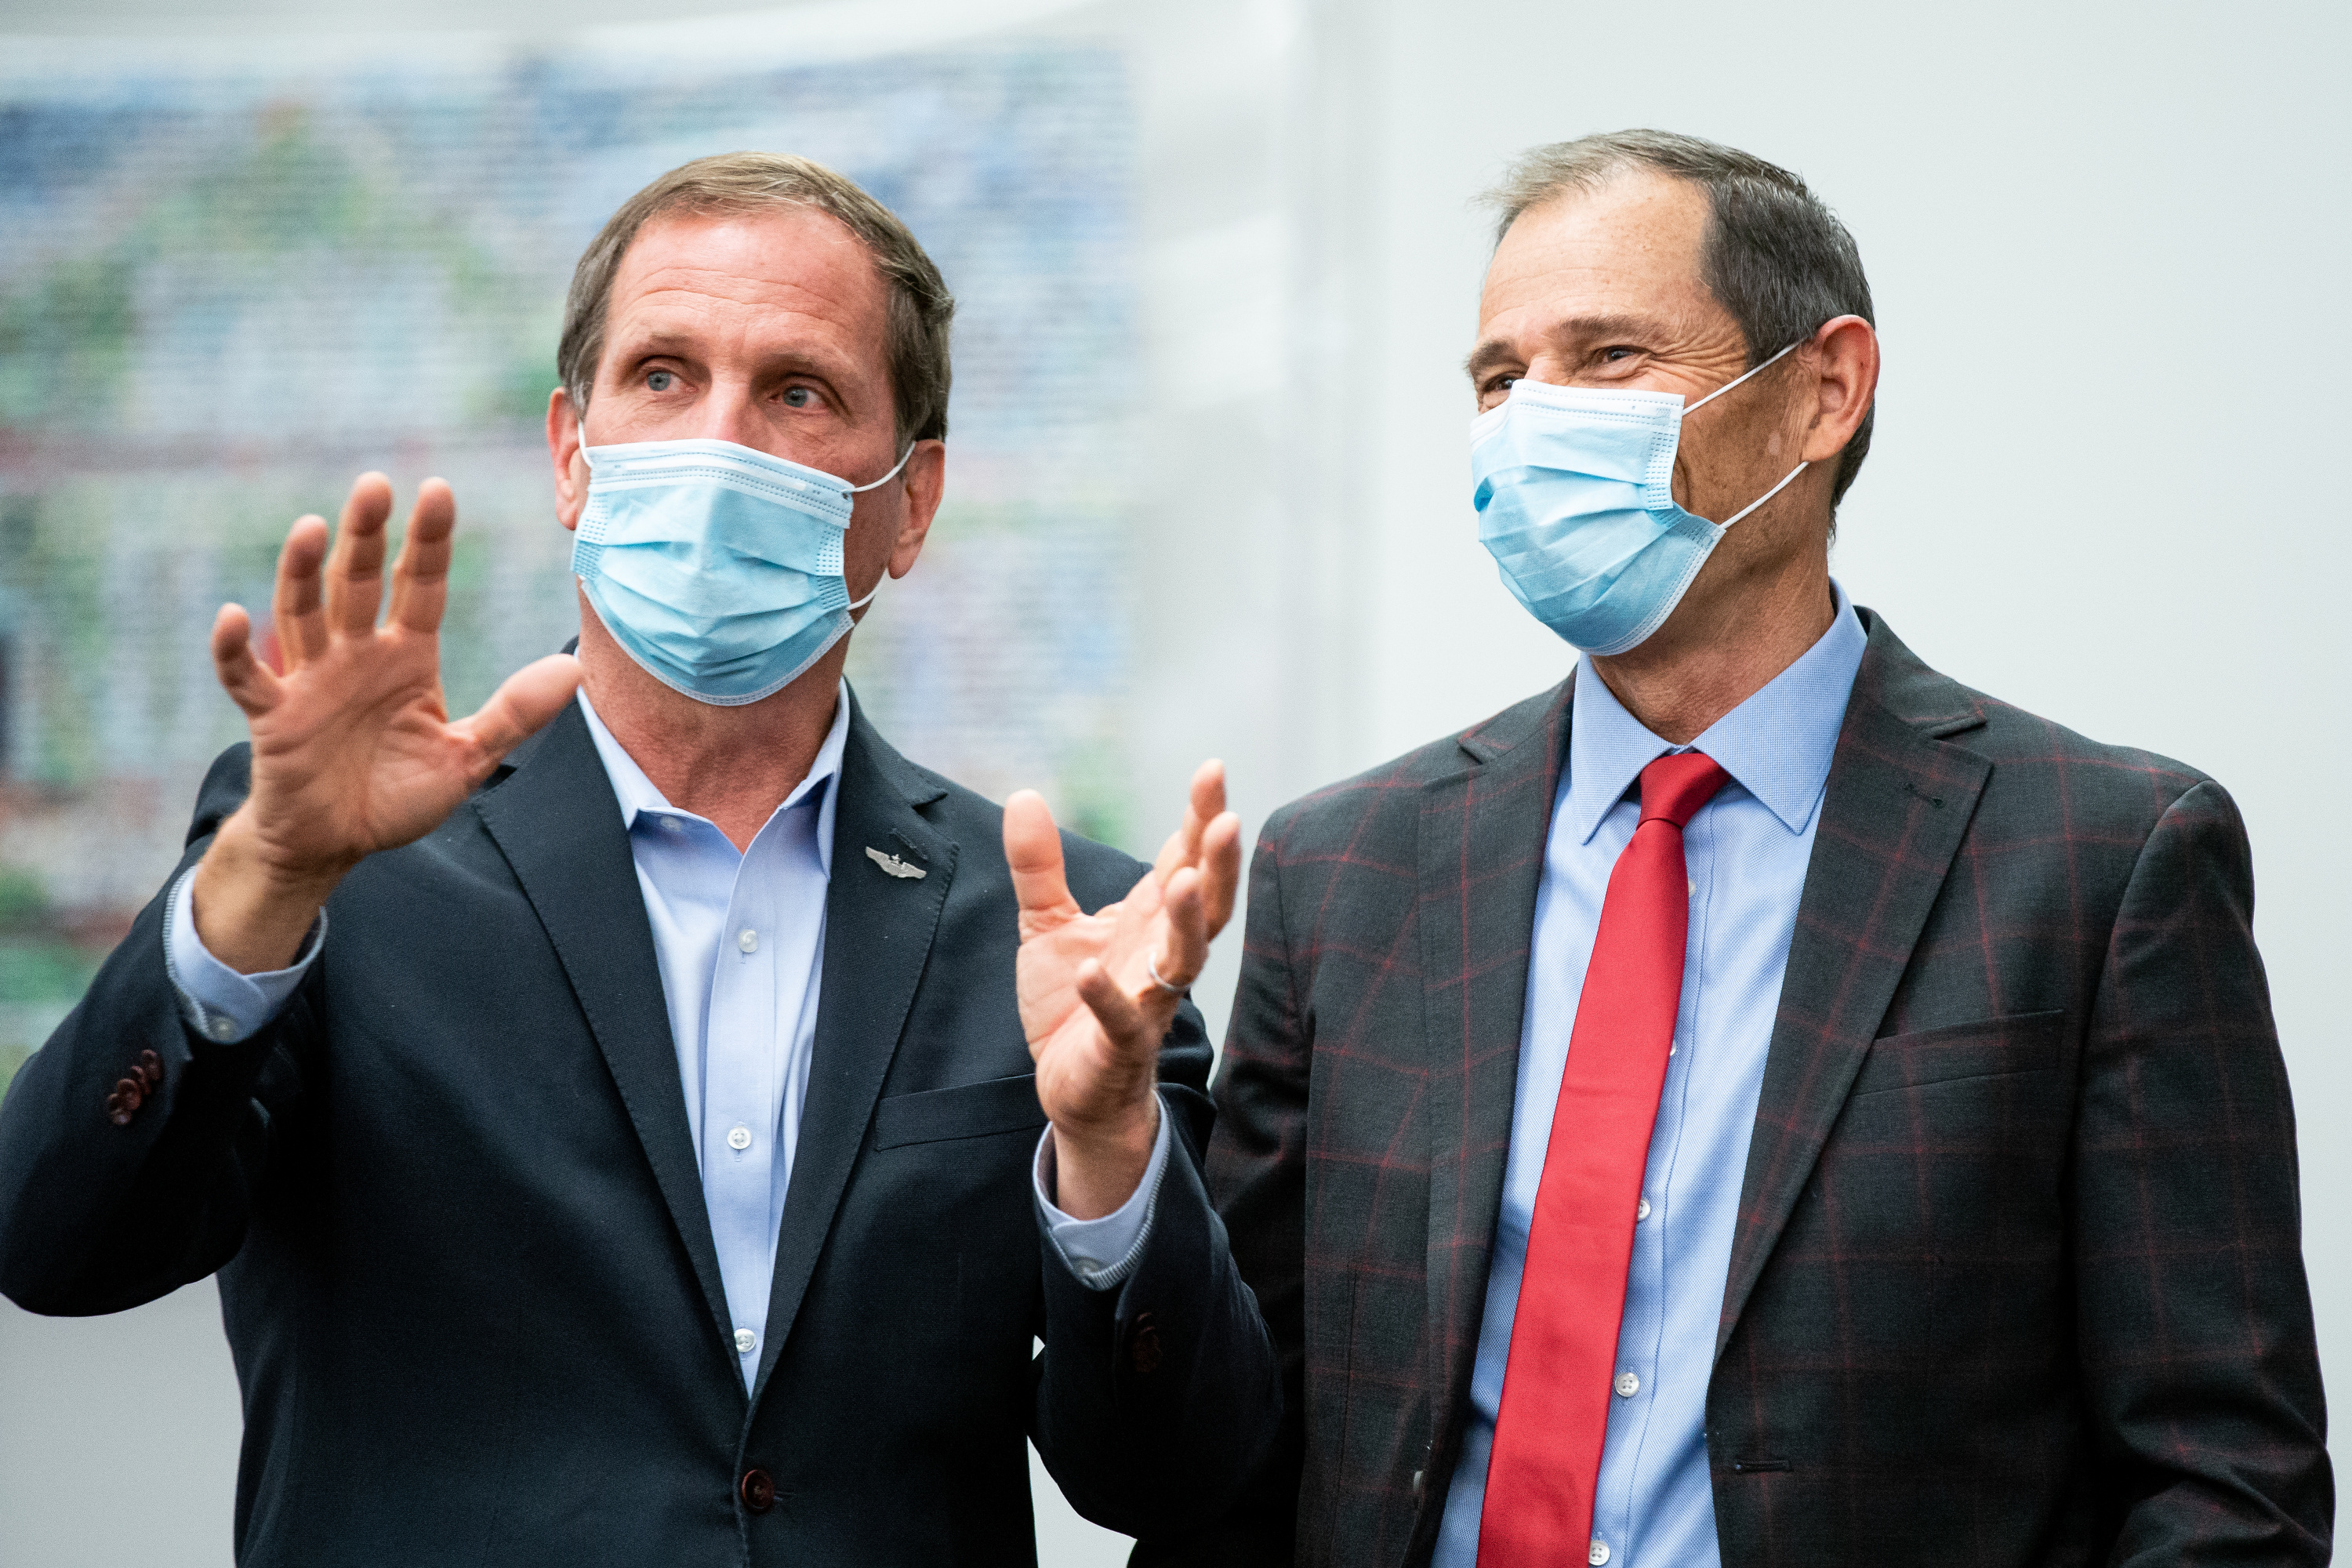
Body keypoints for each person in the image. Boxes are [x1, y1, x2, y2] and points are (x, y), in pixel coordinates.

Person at [0, 151, 1277, 1566]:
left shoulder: (1064, 930)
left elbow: (1180, 1479)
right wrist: (261, 886)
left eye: (798, 392)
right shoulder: (330, 868)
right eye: (664, 376)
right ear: (572, 453)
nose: (718, 444)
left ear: (911, 503)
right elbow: (57, 1247)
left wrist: (1106, 1149)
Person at [1161, 130, 2330, 1567]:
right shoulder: (1345, 871)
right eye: (1500, 380)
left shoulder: (2100, 862)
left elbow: (2225, 1482)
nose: (1532, 422)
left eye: (1609, 356)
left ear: (1824, 391)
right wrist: (1109, 1155)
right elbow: (1225, 1455)